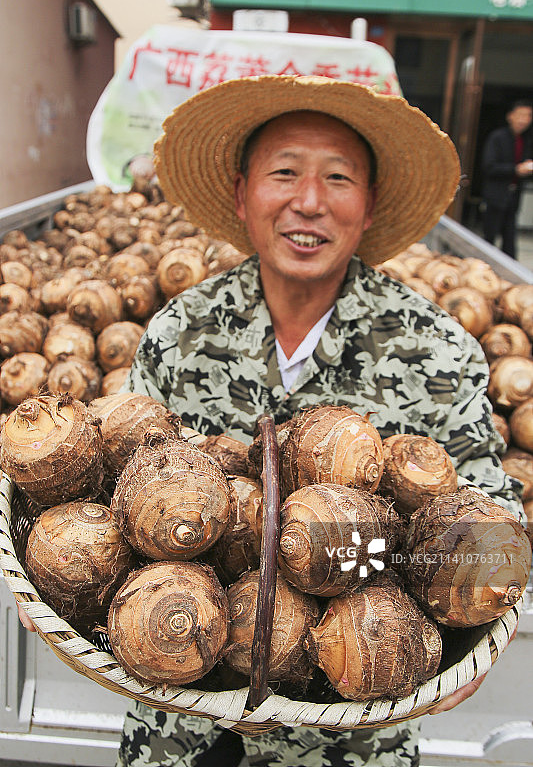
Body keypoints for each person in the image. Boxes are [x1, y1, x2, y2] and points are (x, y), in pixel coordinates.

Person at [18, 75, 526, 766]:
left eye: (338, 178)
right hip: (183, 719)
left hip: (359, 724)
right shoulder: (179, 330)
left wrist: (359, 556)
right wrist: (55, 581)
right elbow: (109, 488)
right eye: (283, 173)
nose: (308, 202)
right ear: (241, 194)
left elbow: (495, 533)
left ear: (369, 204)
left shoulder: (434, 348)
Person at [481, 98, 533, 259]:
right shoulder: (498, 137)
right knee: (489, 238)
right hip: (496, 195)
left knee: (510, 240)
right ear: (510, 116)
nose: (524, 120)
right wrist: (516, 169)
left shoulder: (526, 140)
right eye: (520, 115)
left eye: (528, 116)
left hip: (513, 195)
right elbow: (489, 167)